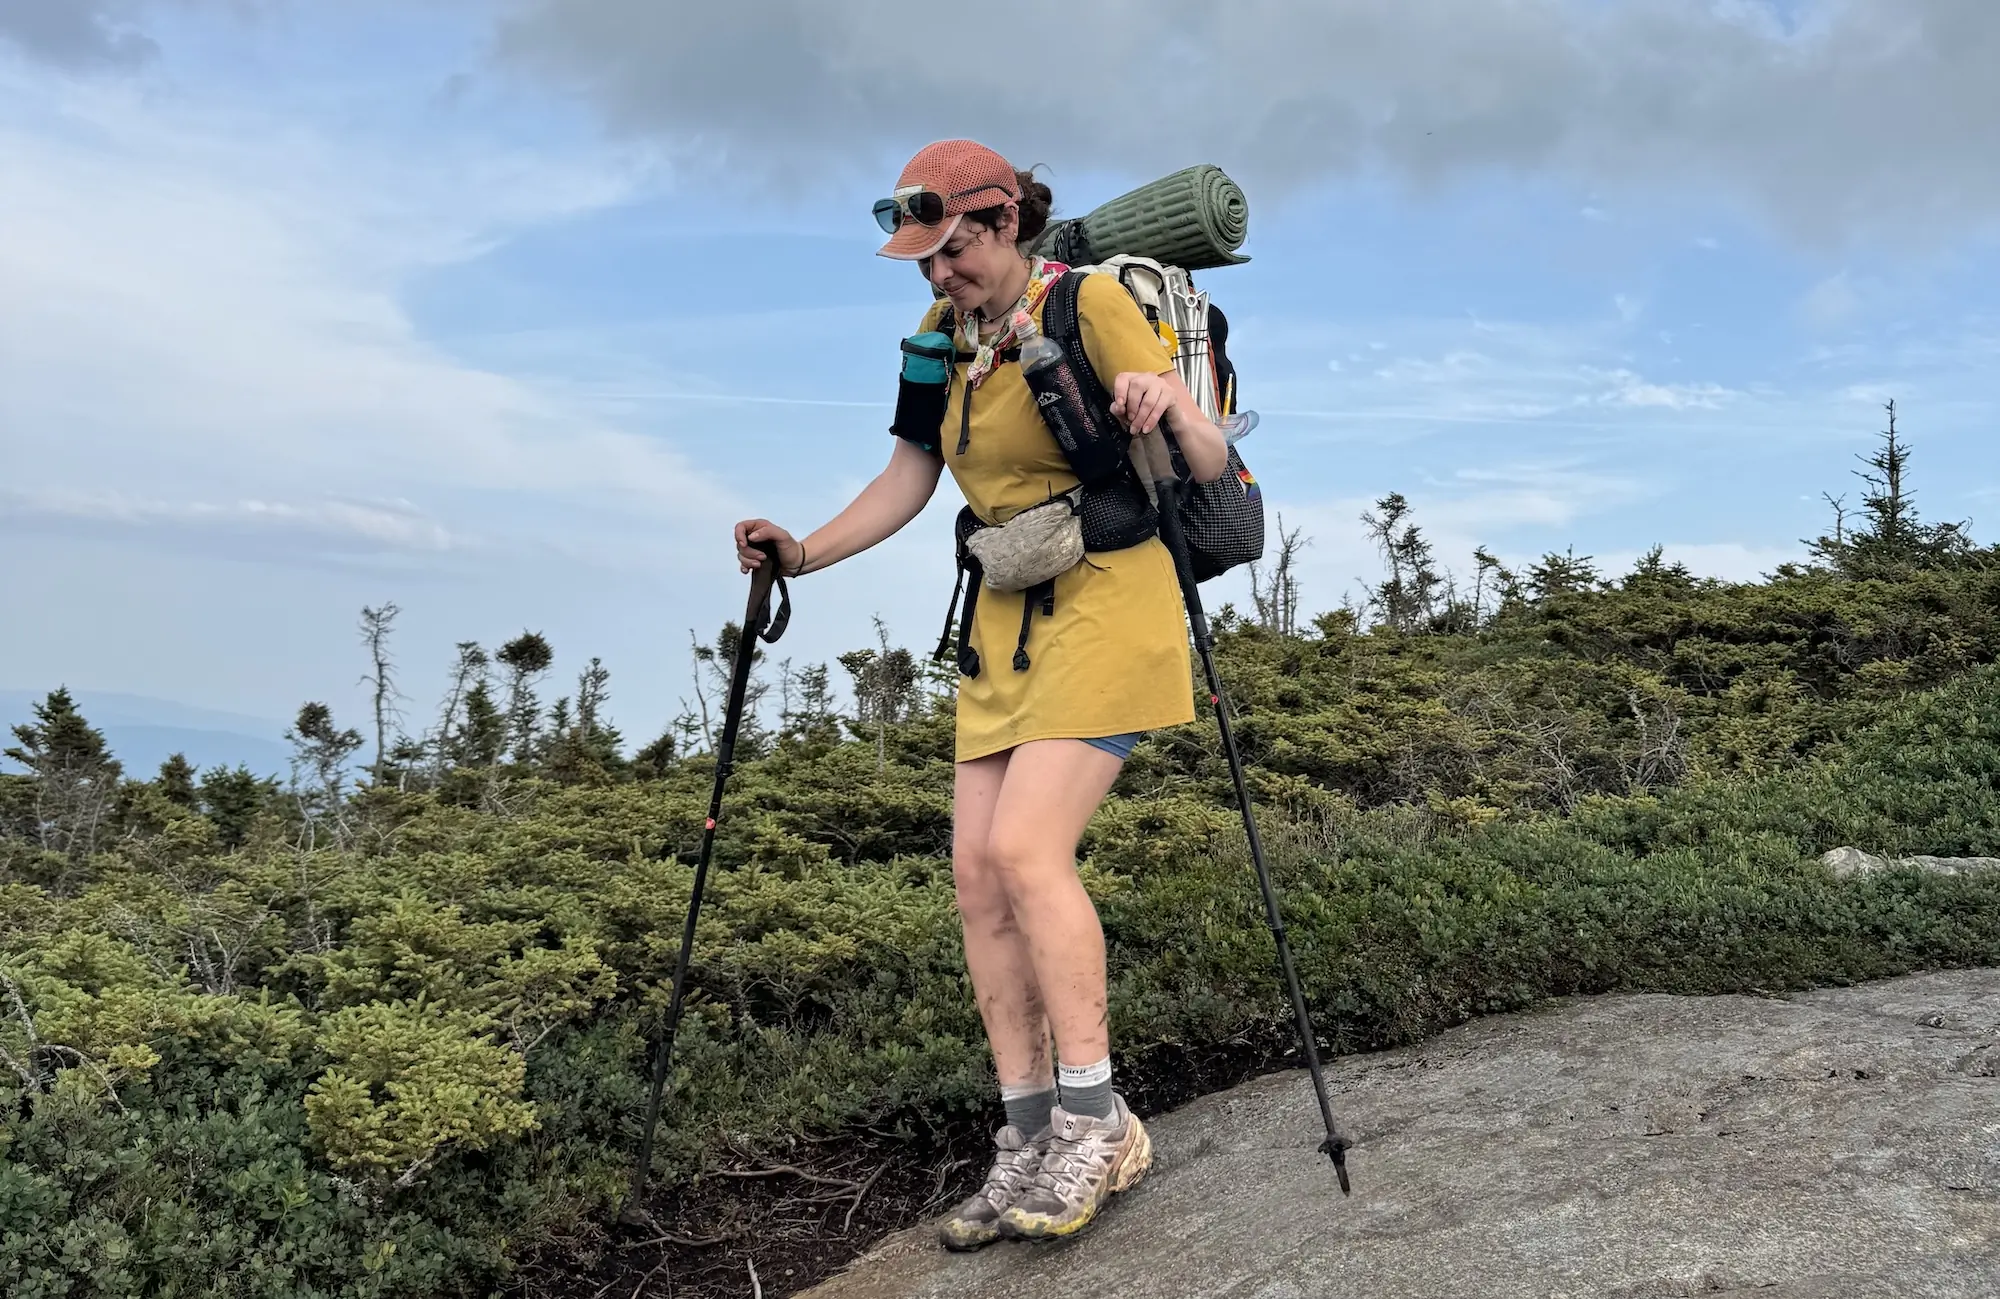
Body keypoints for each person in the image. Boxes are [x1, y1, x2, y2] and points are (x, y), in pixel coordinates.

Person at [731, 139, 1227, 1247]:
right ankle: (1027, 1135)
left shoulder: (1089, 305)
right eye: (920, 262)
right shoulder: (931, 345)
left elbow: (1201, 461)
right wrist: (800, 553)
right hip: (1005, 621)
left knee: (1024, 853)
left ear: (1004, 226)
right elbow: (910, 477)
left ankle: (1100, 1127)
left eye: (951, 251)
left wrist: (1164, 397)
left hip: (1109, 599)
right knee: (972, 876)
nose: (937, 276)